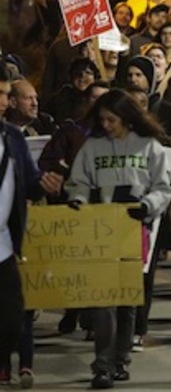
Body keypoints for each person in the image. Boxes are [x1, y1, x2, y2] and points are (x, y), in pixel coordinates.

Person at [64, 90, 171, 390]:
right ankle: (102, 364)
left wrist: (147, 206)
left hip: (133, 231)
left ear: (126, 118)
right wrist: (77, 199)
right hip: (101, 230)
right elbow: (79, 180)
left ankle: (120, 360)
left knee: (127, 301)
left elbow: (164, 187)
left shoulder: (149, 147)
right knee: (103, 302)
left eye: (111, 119)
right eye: (102, 120)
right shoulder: (93, 147)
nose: (106, 125)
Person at [0, 65, 64, 389]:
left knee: (13, 318)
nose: (2, 101)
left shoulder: (12, 137)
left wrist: (45, 184)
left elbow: (28, 181)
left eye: (4, 94)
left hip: (4, 245)